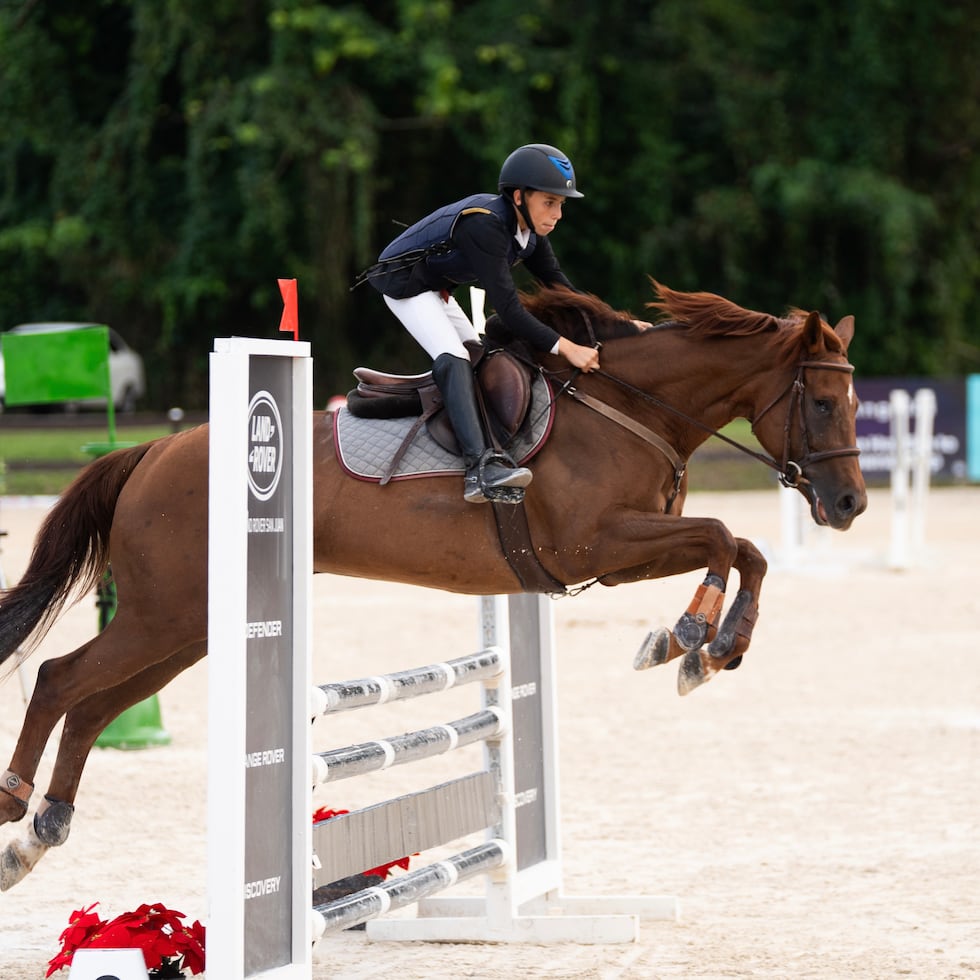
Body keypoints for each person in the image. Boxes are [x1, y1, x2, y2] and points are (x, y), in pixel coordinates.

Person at [361, 143, 600, 504]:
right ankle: (479, 469)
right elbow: (511, 311)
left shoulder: (529, 234)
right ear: (519, 196)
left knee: (479, 356)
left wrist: (617, 323)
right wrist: (567, 347)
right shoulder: (485, 226)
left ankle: (493, 445)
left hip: (436, 287)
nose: (558, 214)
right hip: (404, 284)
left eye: (561, 204)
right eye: (549, 202)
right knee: (455, 357)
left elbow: (560, 288)